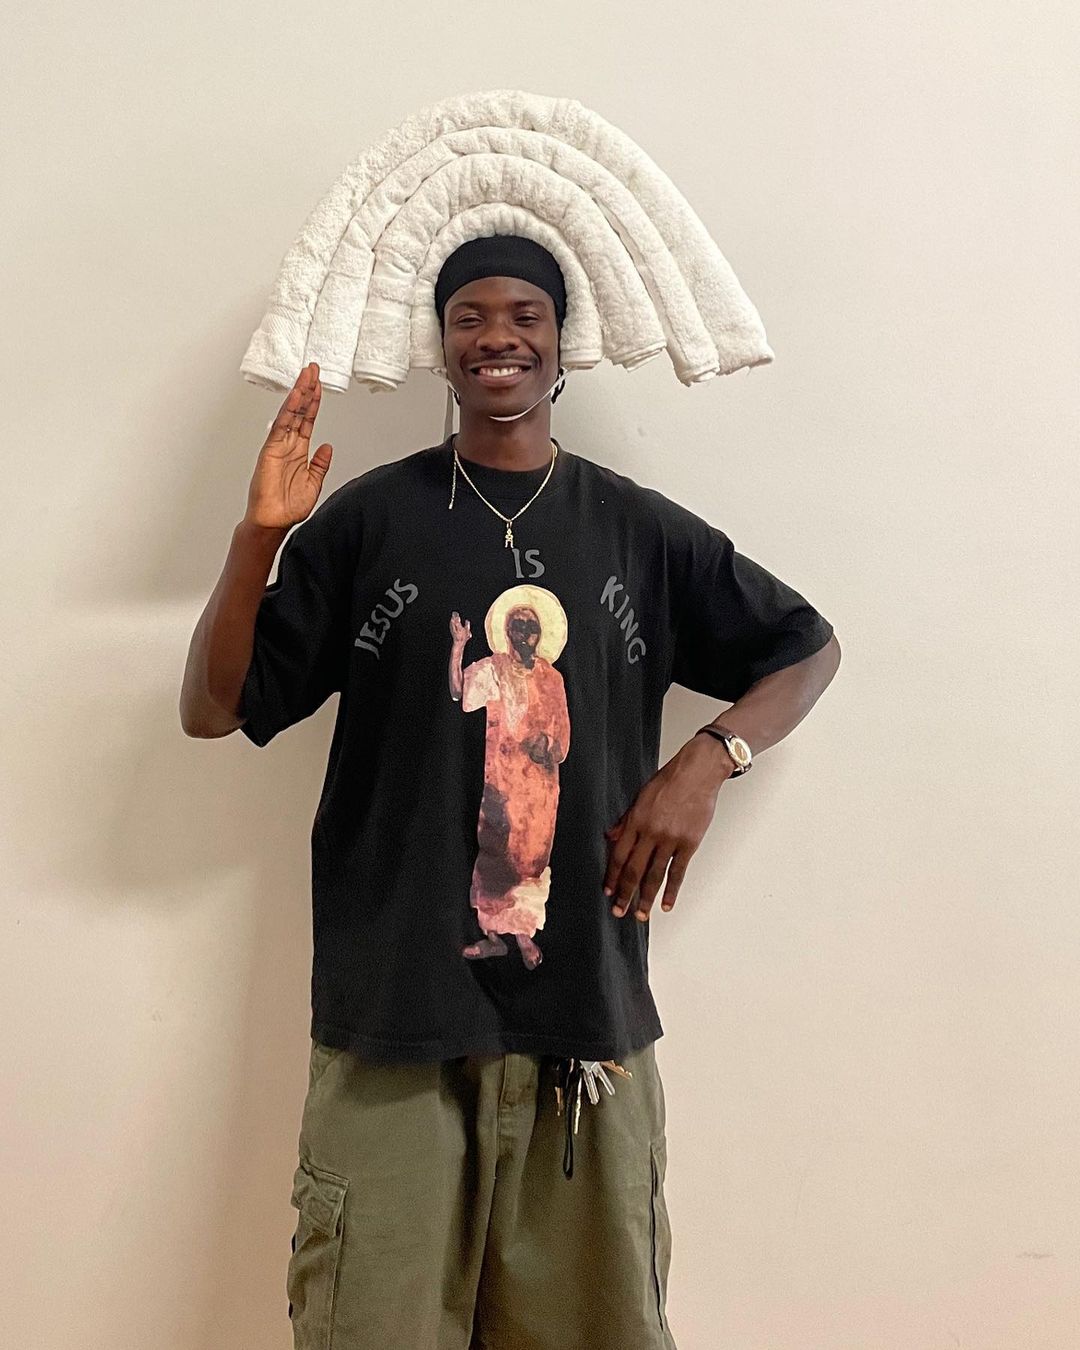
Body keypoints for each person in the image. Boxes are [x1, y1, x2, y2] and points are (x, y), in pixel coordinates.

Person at [179, 235, 841, 1350]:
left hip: (584, 1022)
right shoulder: (371, 522)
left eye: (525, 314)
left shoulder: (635, 530)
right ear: (441, 345)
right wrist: (258, 540)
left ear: (561, 340)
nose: (498, 337)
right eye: (470, 317)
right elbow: (213, 707)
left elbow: (807, 648)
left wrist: (706, 760)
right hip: (394, 1019)